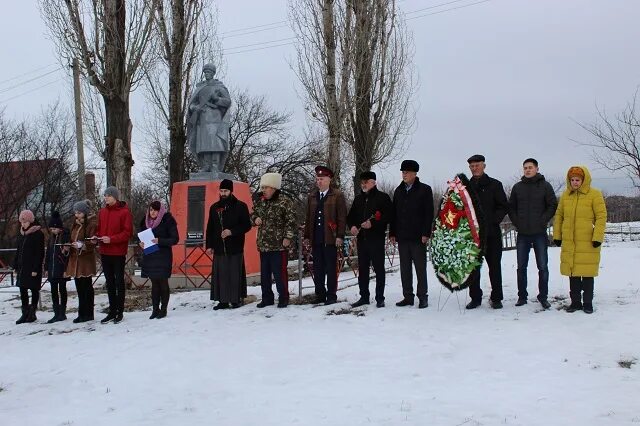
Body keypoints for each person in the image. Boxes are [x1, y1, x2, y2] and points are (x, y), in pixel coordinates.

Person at [553, 166, 606, 314]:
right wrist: (557, 235)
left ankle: (587, 303)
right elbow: (559, 216)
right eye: (572, 180)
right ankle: (575, 302)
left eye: (578, 179)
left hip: (588, 242)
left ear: (584, 180)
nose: (575, 182)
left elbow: (601, 217)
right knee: (573, 274)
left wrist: (597, 237)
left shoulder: (594, 194)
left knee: (587, 274)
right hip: (570, 242)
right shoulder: (566, 195)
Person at [508, 158, 558, 309]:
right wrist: (518, 222)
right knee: (521, 267)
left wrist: (543, 221)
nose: (527, 170)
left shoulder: (545, 186)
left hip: (539, 233)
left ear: (537, 168)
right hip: (523, 233)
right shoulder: (517, 187)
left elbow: (552, 205)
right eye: (525, 168)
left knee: (542, 267)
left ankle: (543, 297)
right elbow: (511, 208)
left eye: (530, 167)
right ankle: (522, 297)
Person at [465, 154, 509, 310]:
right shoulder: (465, 187)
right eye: (472, 166)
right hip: (473, 236)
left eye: (477, 165)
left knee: (494, 267)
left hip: (492, 234)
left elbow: (503, 206)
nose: (474, 168)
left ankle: (496, 298)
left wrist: (492, 221)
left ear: (484, 166)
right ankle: (475, 297)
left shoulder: (495, 185)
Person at [389, 160, 434, 309]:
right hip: (402, 236)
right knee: (405, 269)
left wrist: (426, 233)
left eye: (407, 172)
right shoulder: (398, 191)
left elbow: (429, 214)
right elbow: (393, 214)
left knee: (420, 268)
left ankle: (423, 297)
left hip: (418, 237)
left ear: (415, 173)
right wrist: (392, 233)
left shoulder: (424, 190)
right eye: (403, 172)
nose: (404, 175)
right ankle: (408, 296)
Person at [347, 171, 393, 308]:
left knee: (379, 269)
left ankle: (380, 297)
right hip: (362, 240)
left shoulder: (383, 198)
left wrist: (373, 224)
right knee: (363, 269)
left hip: (376, 239)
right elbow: (351, 217)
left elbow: (388, 216)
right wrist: (353, 226)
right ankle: (364, 296)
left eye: (366, 182)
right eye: (361, 183)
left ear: (374, 182)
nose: (363, 185)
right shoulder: (358, 199)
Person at [251, 173, 297, 308]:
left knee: (279, 274)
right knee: (264, 275)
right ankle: (267, 298)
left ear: (274, 188)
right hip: (263, 245)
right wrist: (255, 219)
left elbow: (291, 221)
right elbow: (252, 214)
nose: (263, 190)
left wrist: (287, 238)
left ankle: (283, 297)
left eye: (266, 187)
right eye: (262, 187)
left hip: (279, 245)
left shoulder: (285, 202)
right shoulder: (261, 202)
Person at [303, 166, 347, 305]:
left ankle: (331, 295)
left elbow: (341, 217)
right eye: (317, 179)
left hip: (330, 238)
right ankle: (320, 294)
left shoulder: (337, 195)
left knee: (331, 268)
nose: (319, 181)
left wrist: (340, 235)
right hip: (317, 239)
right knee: (318, 268)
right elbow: (309, 218)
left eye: (322, 179)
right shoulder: (312, 196)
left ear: (329, 180)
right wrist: (307, 237)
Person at [206, 179, 252, 309]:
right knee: (221, 275)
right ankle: (223, 300)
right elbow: (210, 227)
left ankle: (235, 299)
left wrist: (231, 232)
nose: (223, 193)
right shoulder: (214, 207)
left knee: (234, 274)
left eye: (226, 191)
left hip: (235, 246)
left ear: (231, 191)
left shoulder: (241, 206)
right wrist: (209, 245)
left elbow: (246, 225)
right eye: (221, 191)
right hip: (219, 247)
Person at [95, 186, 133, 324]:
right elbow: (99, 230)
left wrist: (111, 239)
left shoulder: (124, 212)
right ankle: (112, 310)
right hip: (105, 252)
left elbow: (127, 233)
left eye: (108, 195)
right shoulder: (102, 212)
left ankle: (120, 311)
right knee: (109, 283)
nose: (106, 197)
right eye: (105, 195)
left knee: (118, 282)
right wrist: (96, 237)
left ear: (115, 197)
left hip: (117, 252)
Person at [186, 62, 232, 174]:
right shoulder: (200, 87)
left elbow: (227, 102)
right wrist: (194, 108)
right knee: (204, 143)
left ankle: (215, 165)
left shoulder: (219, 87)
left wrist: (216, 99)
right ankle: (206, 166)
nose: (207, 74)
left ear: (213, 73)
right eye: (205, 72)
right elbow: (192, 104)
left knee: (215, 143)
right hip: (202, 119)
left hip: (215, 119)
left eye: (209, 72)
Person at [138, 201, 179, 319]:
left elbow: (175, 239)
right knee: (154, 283)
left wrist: (159, 240)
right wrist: (140, 243)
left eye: (155, 210)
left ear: (160, 211)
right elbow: (140, 236)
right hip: (150, 255)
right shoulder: (145, 221)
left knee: (163, 282)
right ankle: (155, 309)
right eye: (151, 210)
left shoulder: (168, 220)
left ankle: (164, 309)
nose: (152, 212)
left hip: (163, 256)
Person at [66, 200, 98, 323]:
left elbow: (92, 242)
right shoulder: (75, 224)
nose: (77, 215)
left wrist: (82, 245)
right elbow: (71, 238)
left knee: (86, 287)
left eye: (79, 212)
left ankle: (88, 313)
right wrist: (70, 245)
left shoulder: (91, 224)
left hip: (85, 260)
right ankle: (81, 313)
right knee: (79, 287)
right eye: (75, 213)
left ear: (84, 212)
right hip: (76, 260)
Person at [13, 210, 45, 324]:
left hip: (32, 267)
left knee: (34, 289)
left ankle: (32, 313)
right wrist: (15, 265)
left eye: (25, 221)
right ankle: (24, 313)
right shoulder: (22, 234)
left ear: (30, 221)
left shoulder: (38, 234)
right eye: (21, 222)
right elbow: (18, 251)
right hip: (22, 267)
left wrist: (36, 268)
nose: (23, 224)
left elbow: (39, 253)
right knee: (23, 289)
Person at [44, 211, 71, 323]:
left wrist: (66, 269)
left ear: (59, 228)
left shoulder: (64, 237)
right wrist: (46, 268)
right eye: (51, 229)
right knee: (53, 291)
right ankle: (56, 312)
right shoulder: (51, 239)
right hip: (52, 269)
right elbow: (48, 255)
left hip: (61, 269)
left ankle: (62, 312)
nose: (53, 231)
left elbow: (67, 256)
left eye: (54, 229)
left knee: (62, 289)